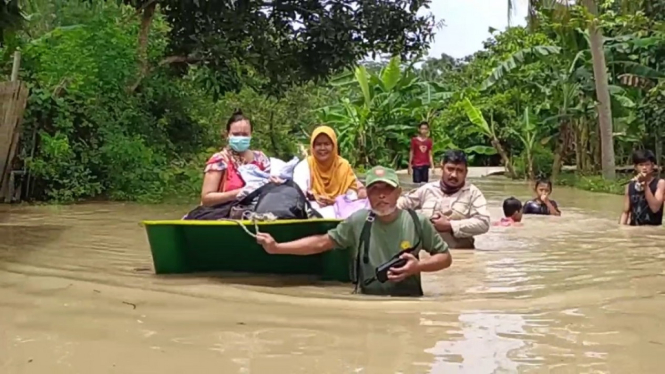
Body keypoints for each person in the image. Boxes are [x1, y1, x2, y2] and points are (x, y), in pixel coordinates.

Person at [256, 166, 452, 297]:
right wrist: (277, 247)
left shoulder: (417, 221)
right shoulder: (358, 221)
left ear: (398, 192)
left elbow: (445, 257)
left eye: (388, 189)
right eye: (375, 189)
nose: (381, 195)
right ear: (367, 194)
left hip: (409, 304)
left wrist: (418, 267)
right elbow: (322, 242)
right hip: (367, 303)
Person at [398, 150, 490, 249]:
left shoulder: (473, 193)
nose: (454, 175)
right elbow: (399, 205)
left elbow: (484, 223)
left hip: (459, 255)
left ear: (466, 173)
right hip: (429, 256)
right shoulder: (427, 189)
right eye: (450, 169)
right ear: (442, 168)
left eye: (459, 170)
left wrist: (450, 225)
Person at [200, 110, 272, 207]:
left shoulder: (261, 159)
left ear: (251, 135)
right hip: (224, 215)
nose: (241, 138)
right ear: (227, 135)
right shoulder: (219, 160)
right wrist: (238, 194)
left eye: (245, 134)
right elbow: (206, 199)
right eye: (236, 134)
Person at [293, 125, 366, 218]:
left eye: (327, 144)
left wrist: (336, 201)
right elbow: (298, 193)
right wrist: (314, 197)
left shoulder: (343, 165)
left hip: (344, 211)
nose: (322, 148)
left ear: (334, 146)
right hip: (314, 212)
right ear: (313, 146)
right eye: (318, 144)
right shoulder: (304, 166)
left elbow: (354, 194)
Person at [620, 149, 665, 226]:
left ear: (652, 166)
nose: (644, 168)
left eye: (647, 164)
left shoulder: (660, 183)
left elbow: (655, 208)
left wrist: (645, 185)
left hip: (653, 232)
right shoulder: (630, 186)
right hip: (634, 230)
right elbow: (625, 212)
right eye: (641, 165)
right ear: (635, 167)